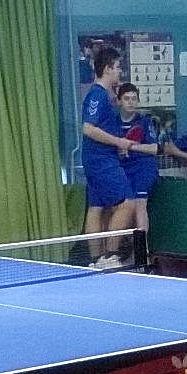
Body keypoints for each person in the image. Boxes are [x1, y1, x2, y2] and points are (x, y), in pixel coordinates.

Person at [80, 46, 136, 266]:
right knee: (127, 204)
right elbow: (88, 128)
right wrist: (119, 142)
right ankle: (110, 256)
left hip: (99, 159)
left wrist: (117, 145)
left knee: (96, 207)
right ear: (107, 69)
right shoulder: (97, 95)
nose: (120, 71)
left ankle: (95, 260)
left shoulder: (105, 96)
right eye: (118, 67)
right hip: (101, 161)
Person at [117, 82, 159, 235]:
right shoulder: (112, 123)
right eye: (127, 98)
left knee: (140, 205)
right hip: (122, 170)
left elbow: (154, 148)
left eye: (134, 99)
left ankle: (142, 247)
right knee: (123, 208)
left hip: (143, 169)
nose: (131, 102)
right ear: (119, 101)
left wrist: (130, 146)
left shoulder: (145, 122)